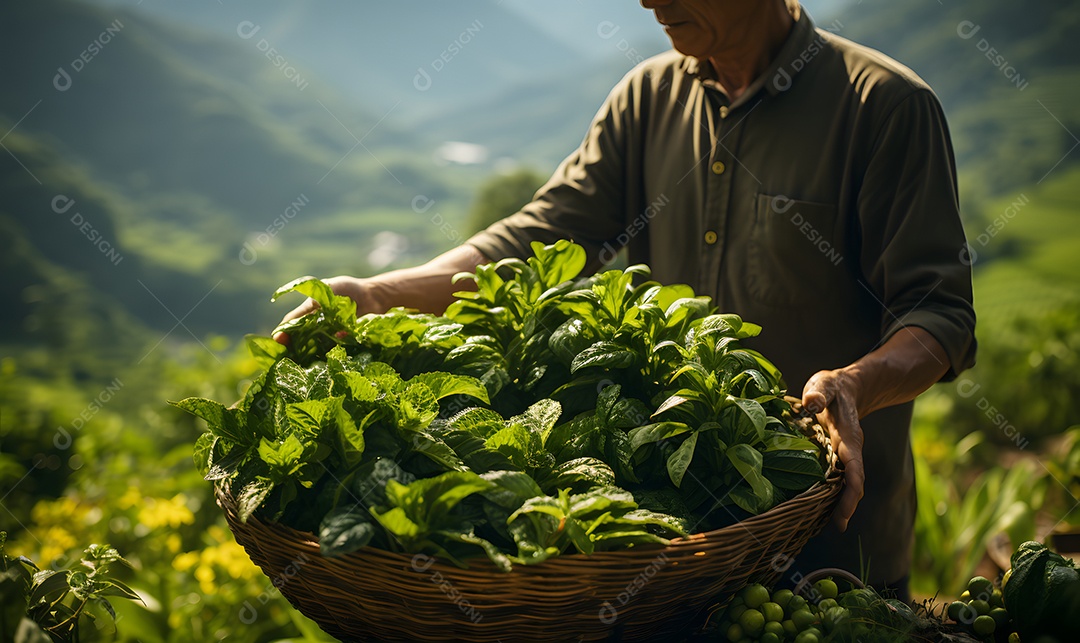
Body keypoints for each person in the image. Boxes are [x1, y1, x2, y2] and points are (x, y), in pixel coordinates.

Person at [276, 0, 975, 598]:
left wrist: (855, 385)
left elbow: (938, 314)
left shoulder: (884, 107)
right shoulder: (647, 98)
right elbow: (539, 236)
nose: (646, 1)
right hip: (676, 557)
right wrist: (376, 293)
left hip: (830, 552)